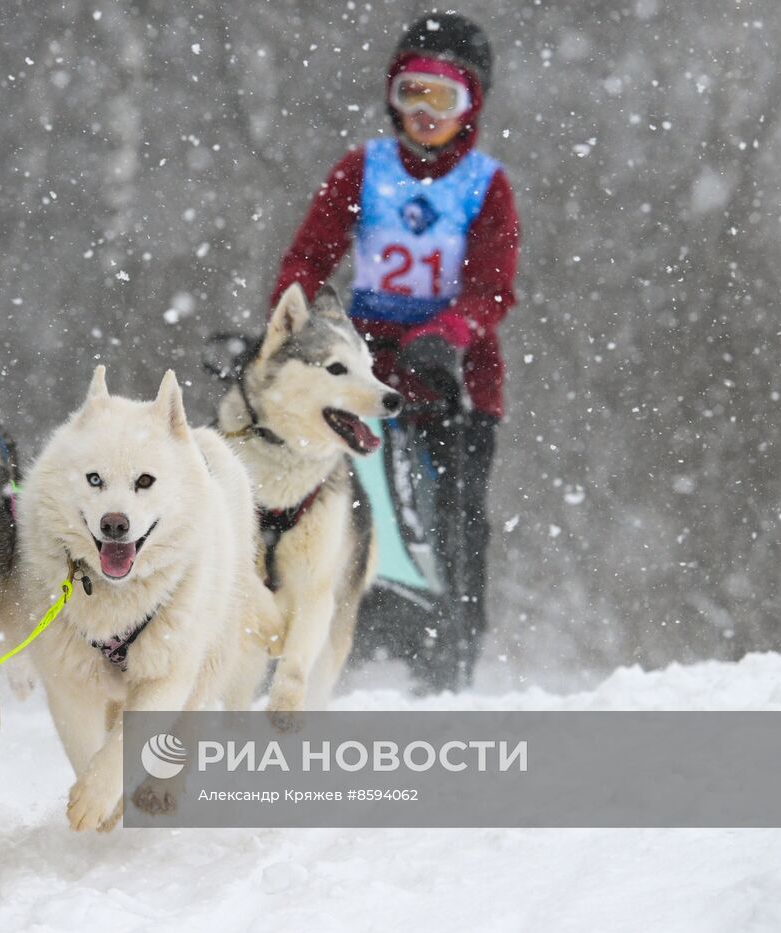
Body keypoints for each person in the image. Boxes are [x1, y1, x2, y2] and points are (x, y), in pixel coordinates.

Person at [268, 11, 520, 690]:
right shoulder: (364, 170)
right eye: (413, 93)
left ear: (472, 106)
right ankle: (316, 637)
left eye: (444, 97)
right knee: (323, 493)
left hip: (456, 374)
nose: (425, 114)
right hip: (367, 358)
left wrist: (449, 335)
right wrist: (287, 326)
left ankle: (453, 654)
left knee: (457, 515)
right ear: (392, 96)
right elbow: (310, 255)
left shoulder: (485, 186)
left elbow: (492, 289)